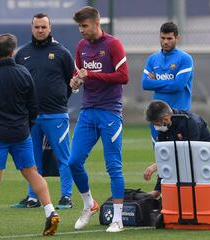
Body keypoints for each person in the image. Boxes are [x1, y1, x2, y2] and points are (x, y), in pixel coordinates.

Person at [0, 33, 60, 237]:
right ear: (13, 51)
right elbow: (33, 107)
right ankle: (50, 211)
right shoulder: (23, 73)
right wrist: (26, 126)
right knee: (32, 173)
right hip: (21, 134)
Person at [68, 6, 129, 233]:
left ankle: (118, 219)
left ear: (97, 23)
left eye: (84, 26)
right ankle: (89, 205)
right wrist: (75, 83)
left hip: (110, 112)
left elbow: (124, 77)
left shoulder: (113, 44)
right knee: (73, 162)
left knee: (113, 167)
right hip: (88, 111)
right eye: (79, 27)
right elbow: (78, 77)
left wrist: (90, 74)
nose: (81, 31)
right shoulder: (81, 46)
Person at [10, 13, 74, 209]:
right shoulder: (22, 54)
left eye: (43, 27)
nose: (40, 30)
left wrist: (59, 101)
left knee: (64, 158)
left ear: (50, 28)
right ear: (31, 28)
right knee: (31, 159)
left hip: (56, 114)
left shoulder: (62, 53)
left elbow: (70, 82)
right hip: (31, 117)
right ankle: (33, 197)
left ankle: (66, 197)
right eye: (37, 27)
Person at [141, 22, 194, 198]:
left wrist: (156, 83)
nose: (165, 41)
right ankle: (161, 191)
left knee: (180, 154)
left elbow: (178, 86)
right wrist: (167, 84)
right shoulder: (153, 59)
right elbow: (144, 83)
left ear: (177, 38)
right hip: (157, 115)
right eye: (163, 38)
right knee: (161, 152)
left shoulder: (185, 59)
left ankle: (182, 192)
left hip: (178, 115)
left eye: (169, 38)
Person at [143, 100, 210, 194]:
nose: (155, 127)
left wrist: (157, 165)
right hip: (186, 161)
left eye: (156, 123)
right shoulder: (163, 128)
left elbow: (188, 153)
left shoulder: (191, 122)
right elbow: (165, 159)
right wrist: (157, 190)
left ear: (165, 119)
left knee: (197, 191)